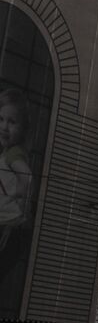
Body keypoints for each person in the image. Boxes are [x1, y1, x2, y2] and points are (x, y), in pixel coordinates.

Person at [0, 87, 33, 245]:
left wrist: (14, 194)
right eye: (1, 119)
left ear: (22, 129)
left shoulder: (14, 153)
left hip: (9, 225)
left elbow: (27, 177)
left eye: (12, 122)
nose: (4, 127)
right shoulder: (6, 153)